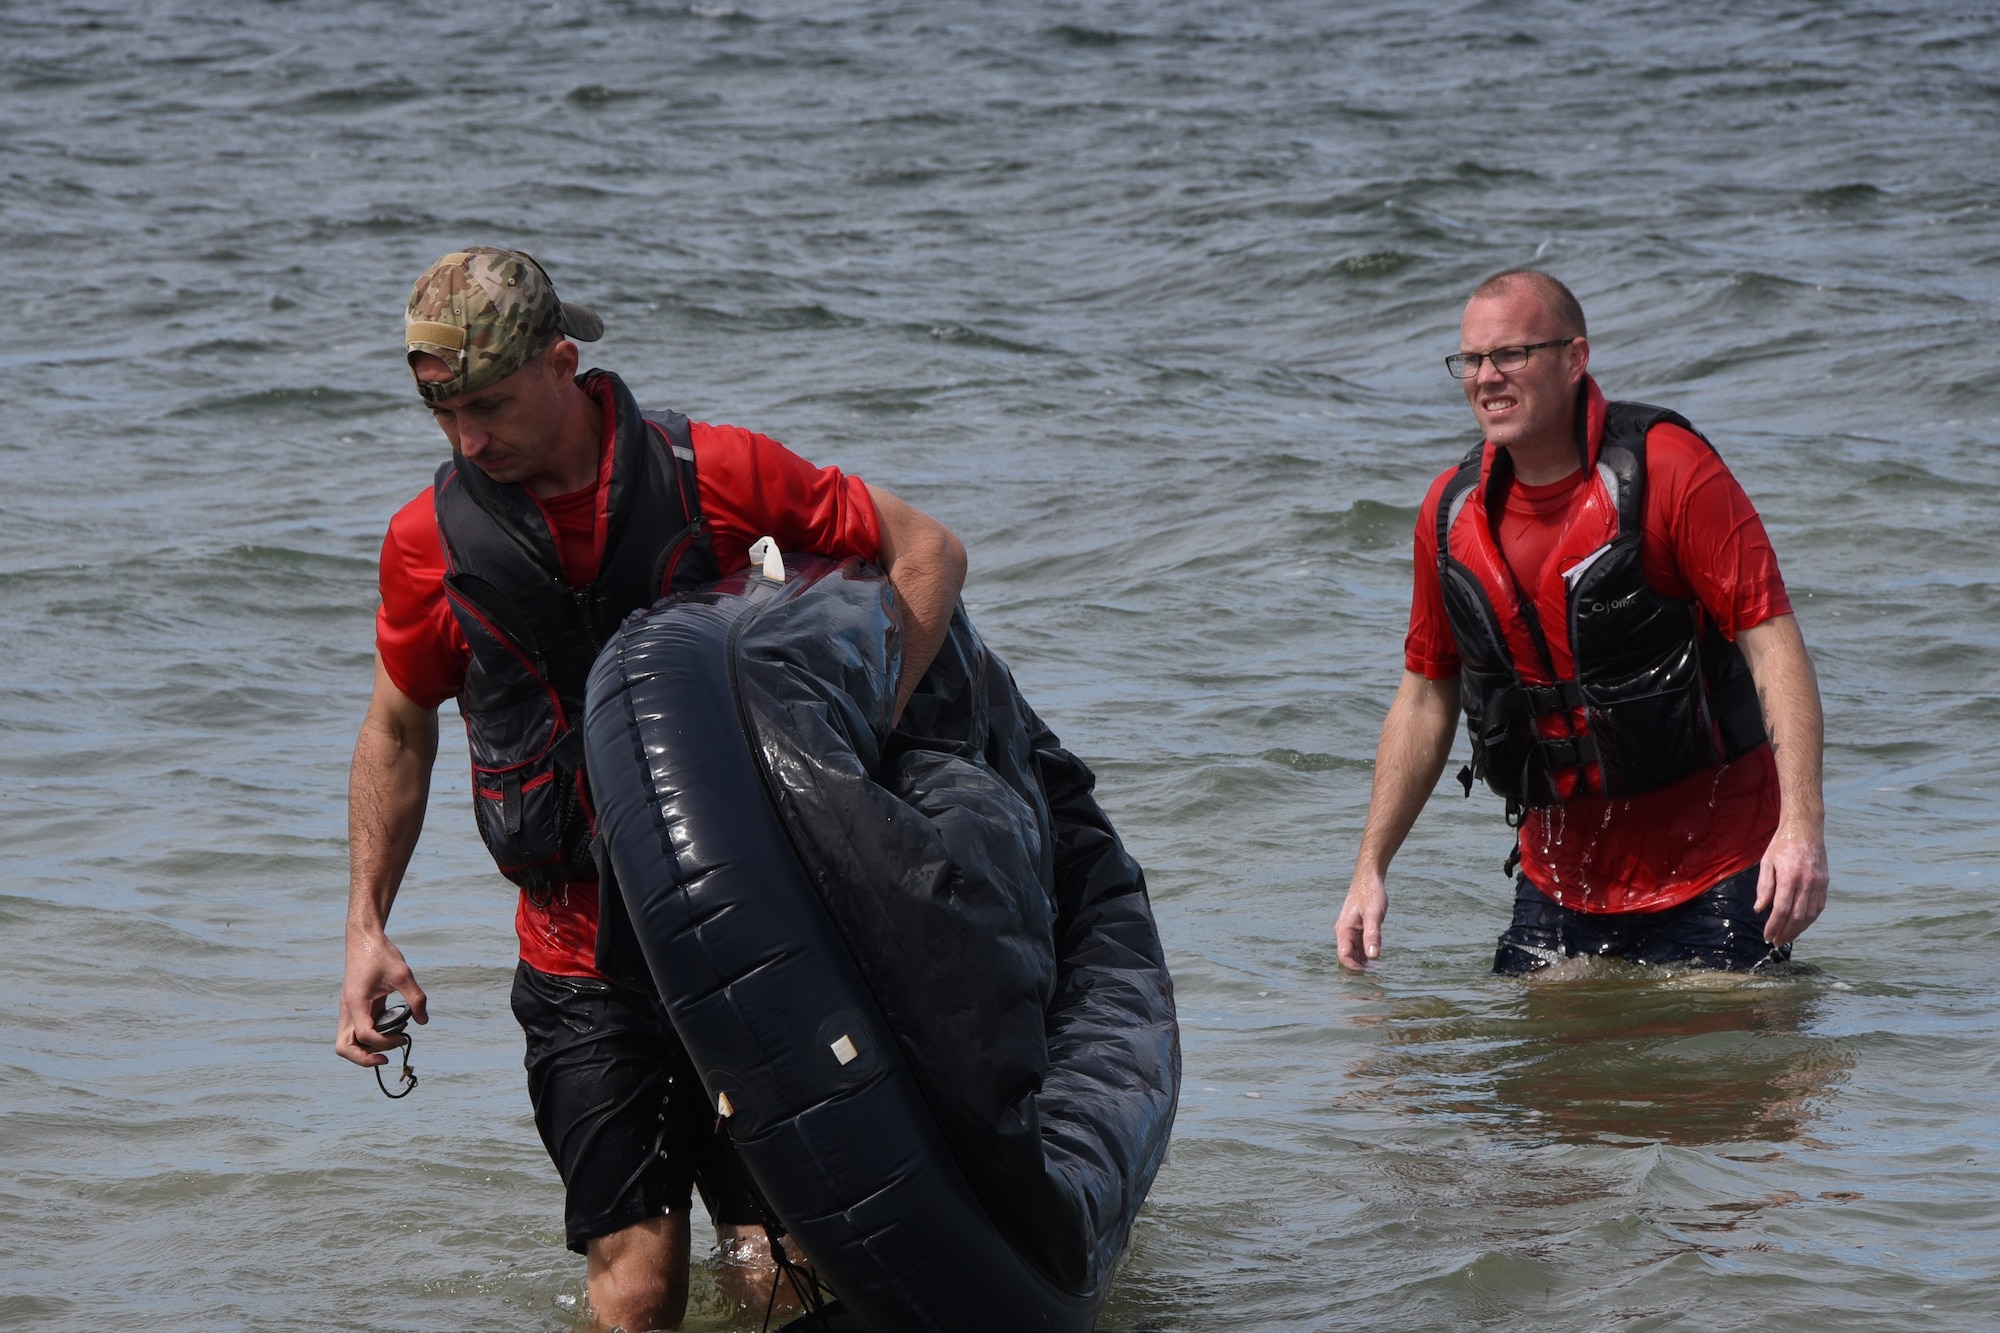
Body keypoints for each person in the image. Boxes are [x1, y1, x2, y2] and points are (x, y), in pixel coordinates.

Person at [333, 248, 967, 1332]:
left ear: (563, 364)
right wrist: (364, 927)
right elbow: (398, 724)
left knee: (788, 1261)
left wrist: (859, 750)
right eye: (443, 416)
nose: (467, 441)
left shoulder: (712, 471)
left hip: (755, 938)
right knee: (636, 1291)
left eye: (487, 406)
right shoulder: (428, 543)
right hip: (576, 957)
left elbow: (924, 553)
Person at [1337, 268, 1829, 975]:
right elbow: (1424, 695)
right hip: (1559, 884)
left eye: (1512, 354)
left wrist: (1802, 828)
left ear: (1575, 359)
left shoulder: (1670, 470)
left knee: (1731, 1078)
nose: (1487, 377)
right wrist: (1369, 869)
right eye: (1471, 360)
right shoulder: (1450, 514)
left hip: (1717, 869)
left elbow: (1773, 643)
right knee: (1541, 1084)